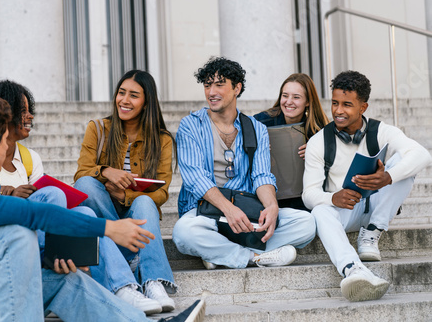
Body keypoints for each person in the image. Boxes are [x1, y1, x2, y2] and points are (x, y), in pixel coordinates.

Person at [0, 93, 206, 321]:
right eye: (5, 140)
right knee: (18, 233)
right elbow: (31, 214)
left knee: (65, 281)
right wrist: (109, 228)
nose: (8, 147)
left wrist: (48, 259)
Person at [0, 80, 164, 315]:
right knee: (53, 195)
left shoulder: (27, 159)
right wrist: (8, 195)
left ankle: (122, 287)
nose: (31, 116)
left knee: (84, 213)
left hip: (27, 242)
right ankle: (51, 253)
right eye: (23, 111)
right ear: (2, 115)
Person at [172, 57, 316, 270]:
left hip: (247, 211)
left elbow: (262, 175)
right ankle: (252, 257)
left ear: (237, 88)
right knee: (183, 232)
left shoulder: (256, 128)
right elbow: (196, 178)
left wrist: (271, 206)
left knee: (307, 224)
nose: (212, 92)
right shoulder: (190, 125)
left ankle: (219, 252)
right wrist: (229, 210)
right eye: (207, 85)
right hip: (207, 212)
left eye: (220, 84)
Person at [302, 70, 432, 302]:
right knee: (320, 211)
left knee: (405, 163)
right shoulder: (318, 142)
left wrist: (388, 177)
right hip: (345, 211)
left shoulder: (381, 131)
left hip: (376, 207)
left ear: (363, 107)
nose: (338, 111)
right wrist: (333, 198)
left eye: (347, 105)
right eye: (334, 103)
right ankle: (353, 269)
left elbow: (422, 155)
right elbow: (308, 195)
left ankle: (371, 233)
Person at [74, 70, 177, 312]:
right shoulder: (98, 129)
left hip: (139, 214)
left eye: (133, 95)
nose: (124, 100)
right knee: (86, 185)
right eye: (121, 93)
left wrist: (126, 196)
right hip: (105, 212)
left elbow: (162, 193)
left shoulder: (162, 139)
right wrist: (106, 171)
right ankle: (132, 256)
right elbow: (81, 174)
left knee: (144, 201)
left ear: (146, 102)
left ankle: (153, 282)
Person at [254, 73, 329, 210]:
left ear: (307, 101)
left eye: (296, 97)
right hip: (268, 195)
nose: (288, 101)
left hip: (304, 197)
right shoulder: (260, 122)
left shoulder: (320, 130)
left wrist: (317, 153)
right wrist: (257, 149)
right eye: (285, 95)